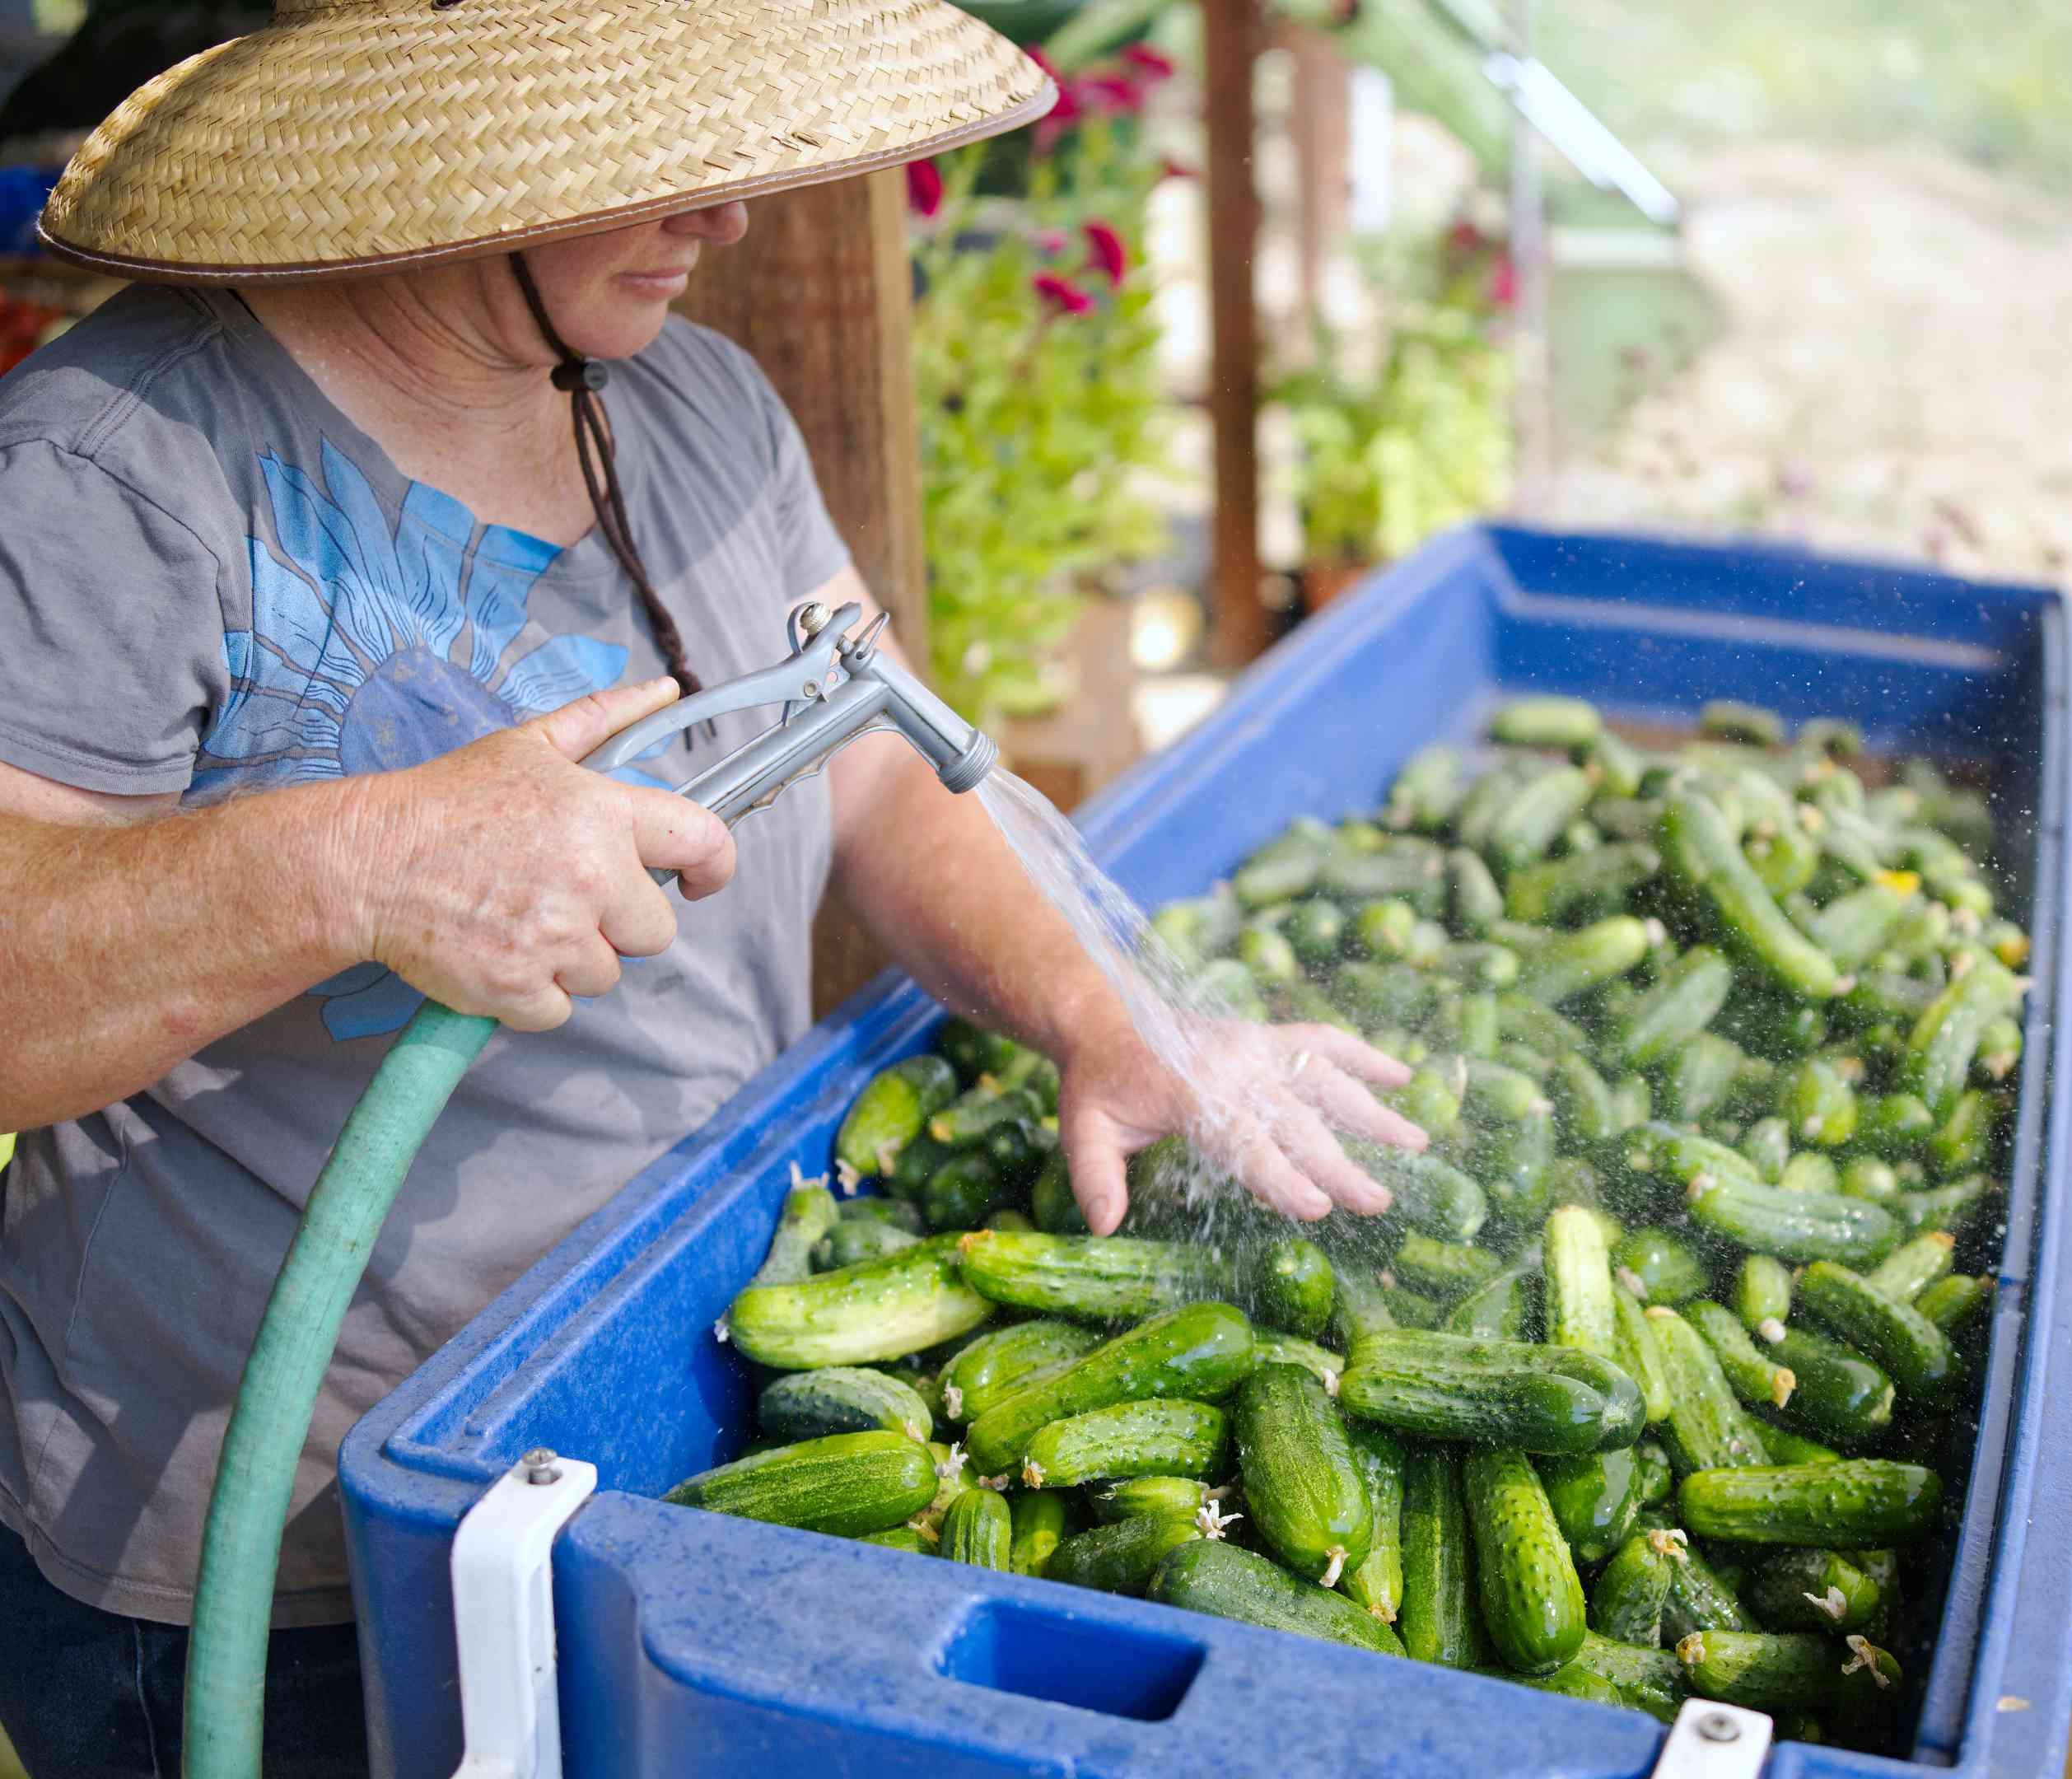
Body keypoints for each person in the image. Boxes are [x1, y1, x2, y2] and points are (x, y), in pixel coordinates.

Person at [0, 1, 1419, 1771]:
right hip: (269, 1546)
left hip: (644, 1440)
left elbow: (879, 765)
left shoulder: (697, 400)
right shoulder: (113, 469)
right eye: (651, 159)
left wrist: (1105, 1016)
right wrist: (366, 863)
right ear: (461, 146)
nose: (729, 215)